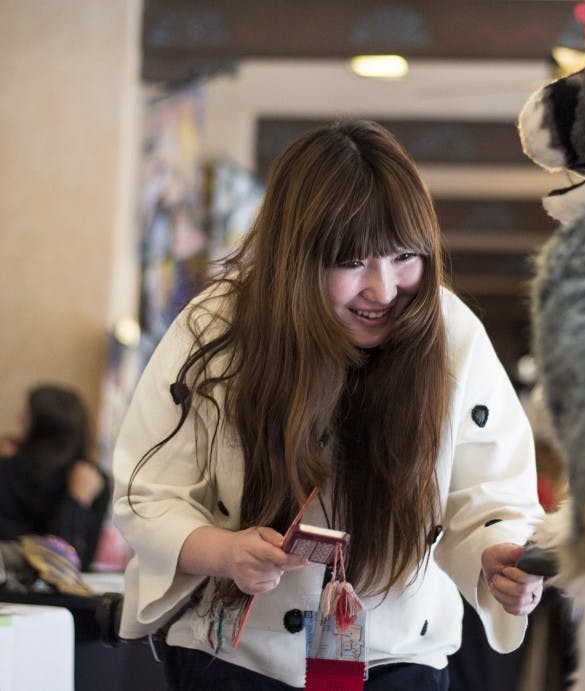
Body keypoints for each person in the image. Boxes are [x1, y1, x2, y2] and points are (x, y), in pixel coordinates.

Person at [113, 119, 545, 690]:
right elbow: (147, 492)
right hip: (238, 660)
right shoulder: (218, 326)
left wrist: (499, 557)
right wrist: (223, 551)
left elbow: (489, 493)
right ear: (297, 256)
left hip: (397, 659)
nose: (383, 289)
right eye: (351, 262)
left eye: (404, 257)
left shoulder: (452, 335)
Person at [0, 384, 110, 571]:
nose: (18, 420)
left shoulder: (89, 478)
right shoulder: (7, 470)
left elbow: (74, 560)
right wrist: (76, 502)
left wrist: (77, 499)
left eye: (26, 416)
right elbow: (64, 560)